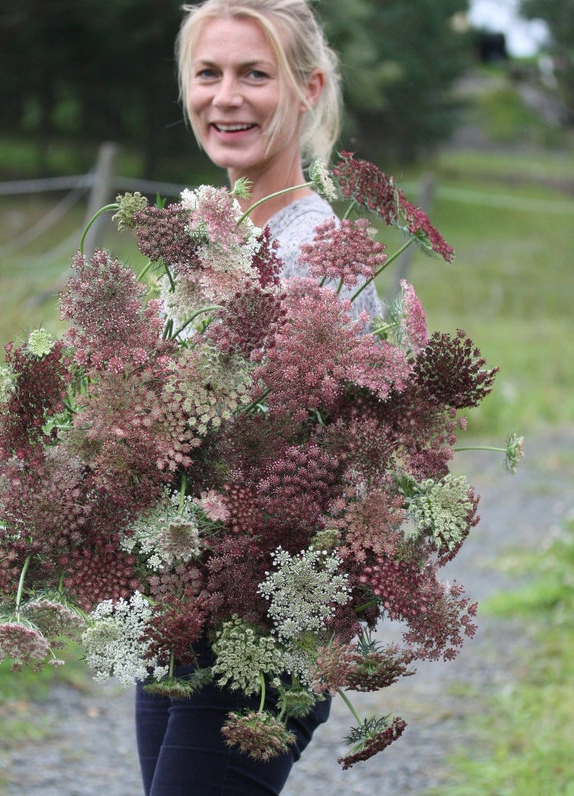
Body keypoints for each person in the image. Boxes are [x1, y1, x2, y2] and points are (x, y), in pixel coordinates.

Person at [135, 2, 381, 794]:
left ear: (307, 90)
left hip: (263, 631)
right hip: (179, 616)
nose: (226, 97)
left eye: (254, 74)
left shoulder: (324, 258)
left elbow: (344, 477)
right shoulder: (204, 244)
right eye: (208, 74)